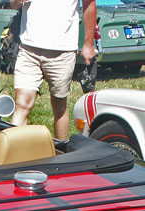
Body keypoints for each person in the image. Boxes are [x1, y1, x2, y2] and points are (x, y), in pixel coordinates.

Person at [10, 0, 96, 139]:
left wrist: (88, 44)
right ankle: (13, 156)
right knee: (22, 104)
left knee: (59, 106)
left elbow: (89, 4)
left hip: (62, 51)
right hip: (28, 48)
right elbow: (14, 5)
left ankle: (60, 154)